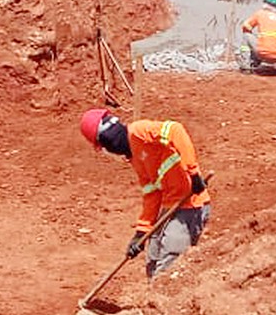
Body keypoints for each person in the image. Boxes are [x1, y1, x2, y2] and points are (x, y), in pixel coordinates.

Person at [79, 109, 211, 279]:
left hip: (191, 203)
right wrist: (141, 233)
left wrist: (193, 173)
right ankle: (152, 300)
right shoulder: (134, 158)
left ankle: (164, 301)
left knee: (169, 263)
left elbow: (175, 129)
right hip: (170, 207)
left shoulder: (139, 131)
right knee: (153, 259)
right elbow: (152, 194)